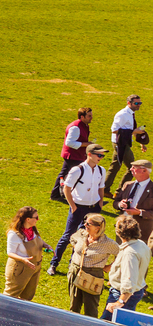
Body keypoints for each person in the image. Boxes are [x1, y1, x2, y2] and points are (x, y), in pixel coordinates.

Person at [51, 143, 109, 274]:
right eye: (99, 155)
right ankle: (54, 264)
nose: (101, 157)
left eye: (102, 155)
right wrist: (73, 206)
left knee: (84, 239)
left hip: (93, 209)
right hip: (78, 209)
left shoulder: (101, 170)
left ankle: (74, 264)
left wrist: (100, 204)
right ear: (89, 154)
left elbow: (101, 188)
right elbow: (67, 188)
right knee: (67, 237)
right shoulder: (77, 169)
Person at [67, 212, 117, 317]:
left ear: (98, 227)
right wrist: (77, 249)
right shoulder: (81, 234)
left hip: (93, 276)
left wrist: (109, 266)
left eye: (89, 224)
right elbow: (72, 238)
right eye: (85, 222)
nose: (85, 225)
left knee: (90, 309)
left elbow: (121, 254)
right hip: (75, 270)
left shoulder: (107, 243)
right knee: (74, 306)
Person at [103, 214, 151, 319]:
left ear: (119, 232)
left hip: (123, 295)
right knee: (122, 324)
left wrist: (119, 302)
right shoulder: (141, 244)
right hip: (137, 290)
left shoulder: (129, 253)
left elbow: (129, 281)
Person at [106, 94, 145, 199]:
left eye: (140, 103)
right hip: (120, 143)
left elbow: (131, 128)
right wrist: (134, 131)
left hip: (125, 142)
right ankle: (119, 193)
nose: (138, 105)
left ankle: (104, 189)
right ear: (129, 103)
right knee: (133, 168)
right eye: (136, 103)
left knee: (115, 166)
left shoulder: (131, 114)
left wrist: (141, 142)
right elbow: (114, 130)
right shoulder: (122, 114)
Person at [52, 107, 94, 202]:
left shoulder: (84, 125)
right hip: (72, 156)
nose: (91, 118)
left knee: (67, 175)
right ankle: (57, 195)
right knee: (68, 175)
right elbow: (69, 142)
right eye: (89, 116)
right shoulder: (75, 127)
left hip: (77, 155)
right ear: (82, 117)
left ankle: (58, 194)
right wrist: (86, 144)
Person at [3, 206, 46, 301]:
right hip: (20, 269)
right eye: (36, 217)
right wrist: (23, 259)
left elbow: (38, 240)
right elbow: (10, 253)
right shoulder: (14, 234)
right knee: (11, 295)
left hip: (34, 267)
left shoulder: (32, 229)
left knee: (27, 296)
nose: (38, 220)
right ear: (28, 219)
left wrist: (46, 245)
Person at [116, 159, 153, 241]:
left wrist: (139, 212)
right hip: (123, 229)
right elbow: (116, 202)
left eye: (134, 167)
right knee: (119, 253)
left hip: (141, 231)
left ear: (144, 170)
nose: (130, 169)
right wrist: (120, 204)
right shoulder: (127, 184)